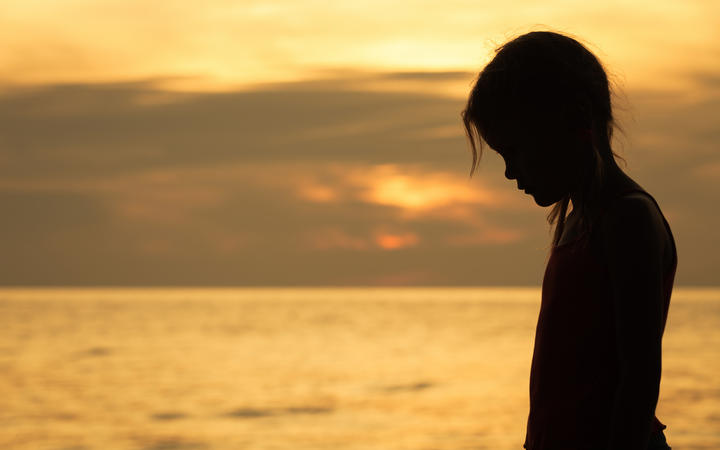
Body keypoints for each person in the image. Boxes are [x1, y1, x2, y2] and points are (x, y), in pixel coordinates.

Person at [460, 30, 677, 450]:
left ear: (575, 121)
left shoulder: (627, 219)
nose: (509, 173)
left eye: (515, 151)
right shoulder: (575, 224)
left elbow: (638, 379)